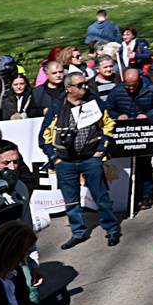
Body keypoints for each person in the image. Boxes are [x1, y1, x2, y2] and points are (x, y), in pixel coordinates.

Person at [38, 74, 122, 249]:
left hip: (90, 159)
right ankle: (78, 232)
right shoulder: (57, 106)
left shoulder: (95, 103)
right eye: (80, 85)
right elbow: (44, 136)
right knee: (71, 200)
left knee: (101, 196)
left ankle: (112, 229)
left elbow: (108, 125)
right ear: (69, 88)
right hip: (65, 162)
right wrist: (54, 158)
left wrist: (101, 150)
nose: (85, 87)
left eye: (85, 83)